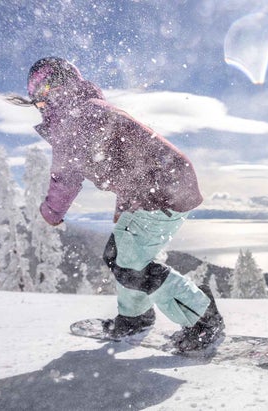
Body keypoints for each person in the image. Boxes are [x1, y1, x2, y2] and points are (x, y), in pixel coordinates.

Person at [23, 56, 224, 351]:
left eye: (42, 89)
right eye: (34, 95)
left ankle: (203, 320)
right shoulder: (89, 111)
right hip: (159, 188)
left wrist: (51, 212)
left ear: (60, 86)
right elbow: (128, 162)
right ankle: (135, 318)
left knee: (133, 268)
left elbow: (65, 178)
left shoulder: (75, 118)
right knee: (117, 255)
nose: (39, 101)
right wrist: (124, 206)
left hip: (163, 193)